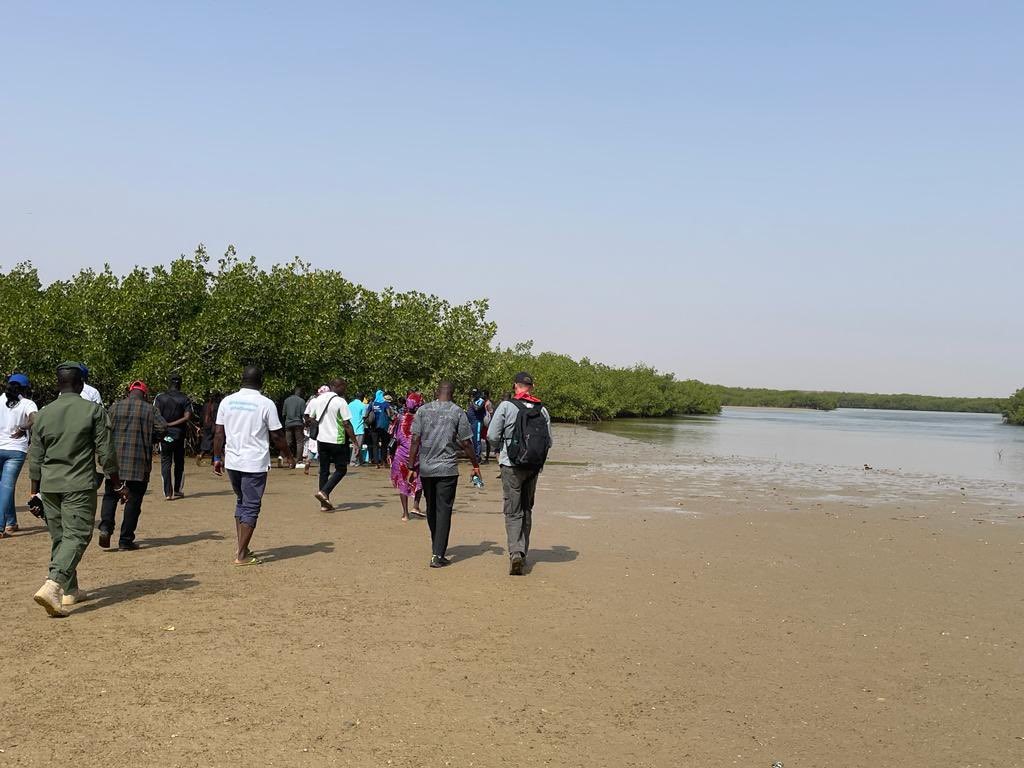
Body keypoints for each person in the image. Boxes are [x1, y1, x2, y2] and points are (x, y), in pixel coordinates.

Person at [28, 362, 127, 616]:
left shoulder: (44, 413)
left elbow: (35, 456)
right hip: (78, 484)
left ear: (57, 384)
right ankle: (53, 585)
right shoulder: (93, 411)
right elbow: (106, 452)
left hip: (49, 485)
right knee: (79, 534)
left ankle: (70, 591)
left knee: (61, 537)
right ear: (81, 384)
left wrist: (34, 491)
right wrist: (117, 484)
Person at [213, 365, 294, 566]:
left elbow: (218, 433)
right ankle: (241, 555)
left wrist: (216, 458)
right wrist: (288, 456)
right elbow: (276, 435)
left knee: (242, 501)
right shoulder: (265, 404)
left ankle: (243, 546)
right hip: (254, 462)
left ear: (242, 380)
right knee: (251, 505)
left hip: (232, 461)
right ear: (261, 382)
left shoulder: (227, 402)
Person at [407, 381, 480, 568]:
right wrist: (475, 465)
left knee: (431, 508)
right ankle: (437, 554)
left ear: (435, 391)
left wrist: (410, 467)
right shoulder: (457, 412)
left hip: (426, 468)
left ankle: (436, 547)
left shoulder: (422, 411)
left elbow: (415, 440)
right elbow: (466, 443)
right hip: (447, 469)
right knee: (444, 510)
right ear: (453, 394)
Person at [487, 371, 553, 576]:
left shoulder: (506, 406)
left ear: (516, 386)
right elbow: (548, 441)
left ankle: (516, 552)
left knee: (513, 510)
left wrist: (500, 449)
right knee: (527, 509)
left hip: (511, 465)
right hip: (533, 468)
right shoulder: (542, 410)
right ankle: (522, 552)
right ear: (531, 387)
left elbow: (491, 435)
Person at [99, 381, 168, 550]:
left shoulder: (115, 407)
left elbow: (104, 429)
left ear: (129, 393)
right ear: (144, 395)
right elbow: (163, 427)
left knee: (110, 496)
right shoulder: (150, 410)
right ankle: (125, 540)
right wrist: (150, 439)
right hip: (139, 463)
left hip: (115, 462)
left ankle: (106, 528)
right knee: (134, 502)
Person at [304, 378, 356, 511]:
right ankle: (324, 492)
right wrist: (355, 442)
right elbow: (346, 424)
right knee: (341, 469)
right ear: (337, 386)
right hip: (336, 440)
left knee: (324, 471)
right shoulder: (340, 401)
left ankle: (324, 504)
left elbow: (310, 418)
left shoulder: (317, 400)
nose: (344, 390)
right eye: (343, 387)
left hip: (322, 440)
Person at [0, 373, 38, 536]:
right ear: (25, 388)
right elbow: (35, 419)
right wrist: (23, 428)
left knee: (4, 488)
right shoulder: (27, 403)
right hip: (16, 450)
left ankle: (11, 522)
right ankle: (1, 525)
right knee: (6, 488)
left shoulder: (0, 399)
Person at [154, 373, 193, 500]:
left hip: (164, 435)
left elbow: (155, 414)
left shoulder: (160, 398)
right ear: (180, 383)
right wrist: (172, 424)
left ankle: (168, 493)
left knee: (166, 462)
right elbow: (187, 417)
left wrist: (165, 424)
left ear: (168, 383)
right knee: (179, 462)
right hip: (179, 435)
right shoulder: (185, 398)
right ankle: (177, 490)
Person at [390, 391, 424, 521]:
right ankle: (416, 505)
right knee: (419, 480)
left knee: (402, 482)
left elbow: (393, 435)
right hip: (418, 455)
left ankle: (405, 514)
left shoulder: (399, 418)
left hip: (401, 455)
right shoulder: (422, 419)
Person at [366, 389, 392, 468]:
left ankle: (376, 463)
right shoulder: (385, 404)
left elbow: (366, 414)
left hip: (374, 427)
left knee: (375, 445)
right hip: (383, 427)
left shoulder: (372, 403)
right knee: (384, 445)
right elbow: (389, 414)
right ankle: (384, 462)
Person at [281, 386, 306, 464]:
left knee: (287, 442)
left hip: (288, 423)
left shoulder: (286, 400)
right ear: (300, 393)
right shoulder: (301, 401)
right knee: (299, 442)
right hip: (298, 423)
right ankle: (299, 460)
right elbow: (303, 414)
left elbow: (284, 414)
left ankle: (282, 457)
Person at [196, 392, 222, 466]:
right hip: (215, 426)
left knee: (207, 441)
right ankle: (213, 460)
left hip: (206, 426)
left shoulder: (206, 405)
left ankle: (201, 455)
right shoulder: (218, 406)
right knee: (216, 442)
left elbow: (202, 417)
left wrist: (200, 426)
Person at [466, 388, 487, 463]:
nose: (472, 395)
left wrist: (472, 402)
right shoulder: (474, 401)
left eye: (474, 394)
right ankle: (475, 456)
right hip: (472, 422)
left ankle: (477, 457)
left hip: (477, 422)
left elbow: (477, 408)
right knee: (473, 440)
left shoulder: (480, 400)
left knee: (477, 440)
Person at [348, 391, 367, 466]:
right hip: (359, 428)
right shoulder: (363, 405)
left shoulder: (350, 404)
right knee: (358, 446)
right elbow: (364, 417)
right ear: (362, 398)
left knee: (357, 445)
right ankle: (353, 462)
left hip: (350, 429)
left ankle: (360, 461)